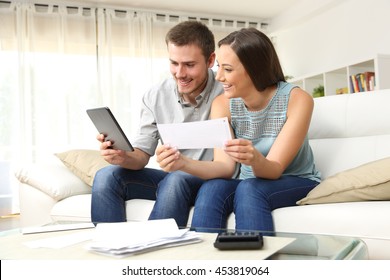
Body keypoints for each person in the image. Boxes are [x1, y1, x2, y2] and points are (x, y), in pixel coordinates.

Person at [156, 27, 321, 233]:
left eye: (228, 69)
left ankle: (256, 264)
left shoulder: (297, 99)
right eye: (219, 67)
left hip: (295, 180)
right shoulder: (222, 104)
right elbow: (224, 167)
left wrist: (254, 159)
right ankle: (204, 260)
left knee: (250, 188)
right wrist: (182, 162)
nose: (218, 77)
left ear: (254, 69)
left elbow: (274, 169)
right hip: (248, 181)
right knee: (212, 188)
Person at [91, 20, 223, 226]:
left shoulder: (227, 91)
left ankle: (154, 252)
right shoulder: (155, 96)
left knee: (176, 178)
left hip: (213, 180)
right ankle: (110, 249)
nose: (180, 74)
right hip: (174, 181)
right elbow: (141, 157)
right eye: (174, 63)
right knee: (107, 176)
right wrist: (122, 156)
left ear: (210, 60)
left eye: (189, 65)